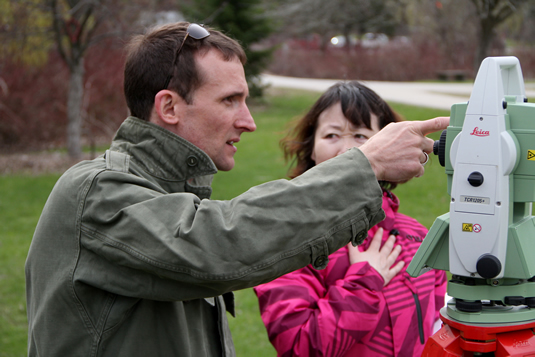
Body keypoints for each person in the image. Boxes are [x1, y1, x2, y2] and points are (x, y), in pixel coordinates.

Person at [25, 22, 448, 357]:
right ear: (168, 106)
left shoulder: (171, 195)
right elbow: (222, 242)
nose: (249, 121)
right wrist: (367, 165)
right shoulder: (96, 195)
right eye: (230, 100)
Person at [254, 81, 447, 357]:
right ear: (311, 149)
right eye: (332, 135)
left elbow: (438, 330)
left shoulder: (419, 238)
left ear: (393, 146)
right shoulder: (289, 240)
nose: (348, 151)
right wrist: (364, 283)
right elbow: (299, 346)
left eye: (361, 137)